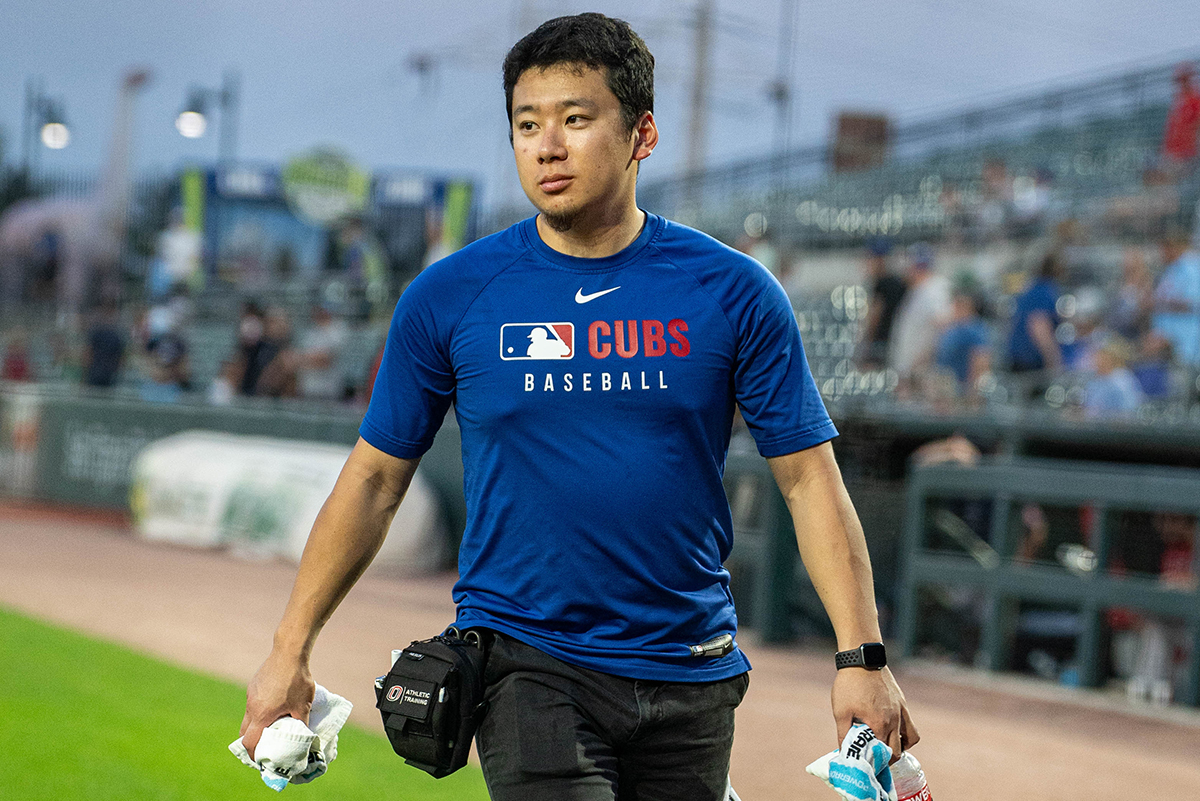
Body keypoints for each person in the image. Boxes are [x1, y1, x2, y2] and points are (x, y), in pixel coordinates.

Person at [239, 13, 917, 801]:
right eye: (527, 124)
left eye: (575, 119)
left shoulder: (736, 294)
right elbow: (373, 481)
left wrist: (861, 659)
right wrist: (289, 648)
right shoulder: (450, 297)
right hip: (529, 663)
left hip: (692, 670)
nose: (546, 145)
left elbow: (809, 481)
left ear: (642, 134)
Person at [888, 242, 950, 397]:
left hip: (922, 376)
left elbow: (942, 329)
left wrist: (916, 367)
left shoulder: (934, 290)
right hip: (911, 375)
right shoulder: (918, 290)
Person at [1006, 252, 1065, 392]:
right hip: (1031, 366)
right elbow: (1039, 327)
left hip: (1017, 359)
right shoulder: (1044, 291)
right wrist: (1054, 362)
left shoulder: (1030, 289)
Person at [1149, 228, 1200, 370]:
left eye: (1163, 249)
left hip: (1185, 342)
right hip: (1166, 342)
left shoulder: (1192, 268)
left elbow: (1193, 303)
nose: (1160, 254)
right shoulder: (1171, 269)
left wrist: (1158, 302)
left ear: (1173, 247)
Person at [858, 237, 905, 369]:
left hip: (882, 346)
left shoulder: (883, 283)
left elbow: (875, 317)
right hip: (894, 343)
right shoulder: (898, 281)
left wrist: (865, 347)